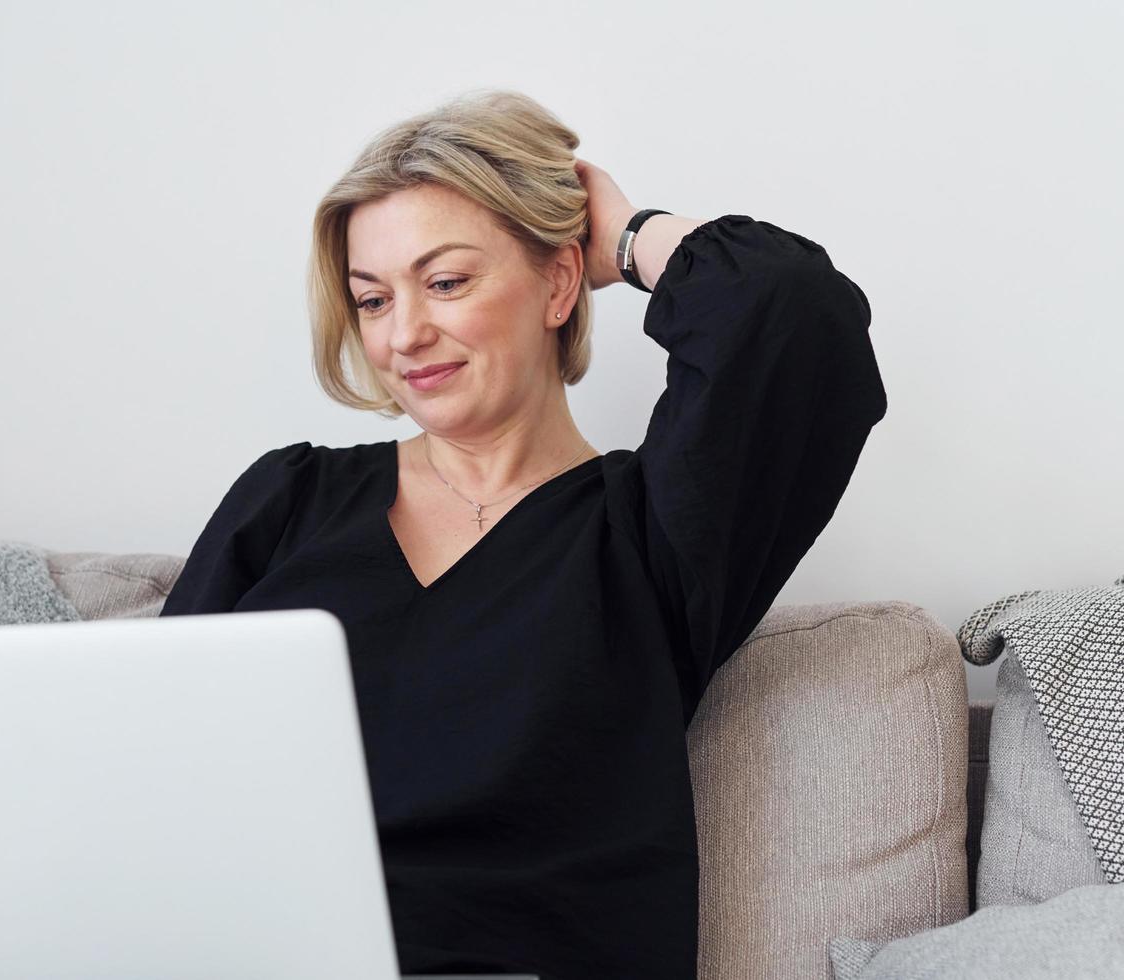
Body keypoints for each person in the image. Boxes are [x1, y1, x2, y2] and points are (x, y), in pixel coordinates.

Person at [160, 89, 888, 980]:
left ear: (555, 283)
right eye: (373, 299)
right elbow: (158, 765)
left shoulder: (656, 534)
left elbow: (794, 312)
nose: (405, 335)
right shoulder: (289, 500)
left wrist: (621, 233)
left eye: (446, 281)